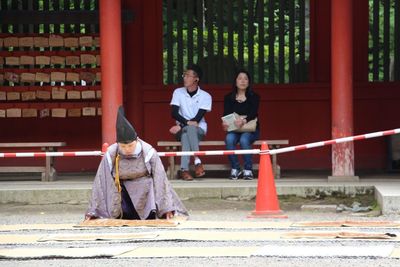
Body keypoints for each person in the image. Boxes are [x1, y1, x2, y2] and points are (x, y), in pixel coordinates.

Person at [85, 106, 188, 220]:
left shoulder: (148, 151)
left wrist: (166, 208)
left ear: (136, 140)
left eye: (130, 145)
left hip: (145, 188)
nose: (127, 149)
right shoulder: (111, 153)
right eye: (123, 146)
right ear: (118, 144)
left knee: (151, 184)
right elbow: (101, 180)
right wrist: (93, 211)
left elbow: (160, 180)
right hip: (121, 190)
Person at [169, 64, 212, 181]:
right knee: (189, 129)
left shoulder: (205, 96)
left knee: (187, 134)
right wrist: (185, 125)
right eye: (184, 75)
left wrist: (181, 125)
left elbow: (197, 119)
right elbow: (174, 113)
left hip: (199, 129)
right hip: (183, 128)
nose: (185, 78)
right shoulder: (178, 92)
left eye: (188, 76)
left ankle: (184, 170)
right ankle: (197, 161)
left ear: (196, 79)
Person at [222, 69, 260, 180]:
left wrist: (243, 120)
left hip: (250, 128)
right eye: (240, 78)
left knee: (244, 139)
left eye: (245, 79)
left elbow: (254, 113)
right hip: (234, 129)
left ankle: (248, 170)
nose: (243, 81)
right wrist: (225, 123)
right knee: (229, 139)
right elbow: (226, 114)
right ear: (235, 82)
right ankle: (236, 168)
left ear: (249, 82)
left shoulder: (254, 96)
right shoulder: (228, 97)